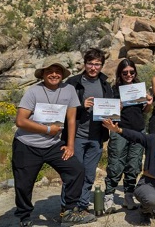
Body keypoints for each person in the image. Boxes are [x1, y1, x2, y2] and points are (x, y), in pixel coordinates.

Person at [12, 57, 96, 227]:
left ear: (63, 74)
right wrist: (47, 130)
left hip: (53, 145)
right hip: (27, 145)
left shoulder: (69, 90)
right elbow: (20, 121)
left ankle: (69, 211)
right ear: (43, 73)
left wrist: (70, 145)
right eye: (49, 71)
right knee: (24, 184)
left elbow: (72, 119)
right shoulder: (33, 92)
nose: (54, 74)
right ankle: (25, 217)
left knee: (76, 170)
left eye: (58, 71)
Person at [102, 109, 155, 226]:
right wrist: (118, 130)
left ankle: (154, 210)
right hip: (147, 184)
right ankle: (145, 212)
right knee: (152, 199)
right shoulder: (153, 139)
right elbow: (136, 136)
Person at [62, 48, 113, 214]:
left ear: (101, 66)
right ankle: (68, 208)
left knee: (90, 174)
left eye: (97, 64)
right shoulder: (73, 82)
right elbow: (62, 106)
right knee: (73, 173)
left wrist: (114, 111)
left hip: (97, 137)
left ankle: (82, 206)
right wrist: (80, 107)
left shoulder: (105, 84)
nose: (93, 67)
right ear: (85, 64)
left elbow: (110, 107)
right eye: (90, 63)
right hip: (76, 136)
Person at [104, 59, 153, 213]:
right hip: (120, 130)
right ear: (120, 73)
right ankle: (109, 196)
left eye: (131, 72)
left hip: (138, 131)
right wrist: (116, 107)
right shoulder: (113, 90)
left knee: (134, 164)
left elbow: (143, 111)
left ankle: (128, 195)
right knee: (116, 163)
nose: (128, 75)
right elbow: (107, 112)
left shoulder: (139, 89)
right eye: (125, 72)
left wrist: (149, 103)